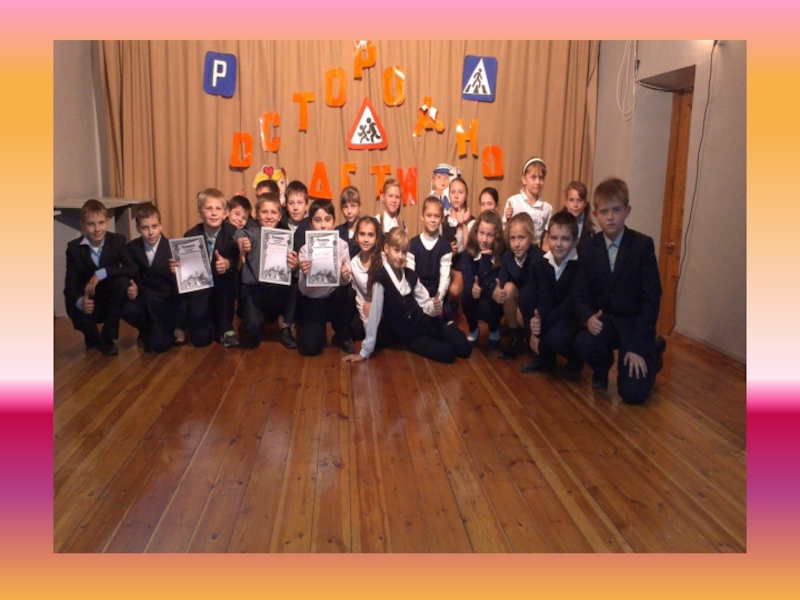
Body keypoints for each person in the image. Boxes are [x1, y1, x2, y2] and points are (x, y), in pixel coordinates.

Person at [572, 178, 667, 405]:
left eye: (616, 210)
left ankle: (652, 352)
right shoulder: (587, 248)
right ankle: (601, 369)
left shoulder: (642, 246)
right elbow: (579, 293)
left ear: (627, 211)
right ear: (595, 214)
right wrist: (587, 318)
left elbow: (652, 298)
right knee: (584, 342)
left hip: (634, 326)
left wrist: (638, 346)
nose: (610, 217)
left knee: (633, 395)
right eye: (604, 212)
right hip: (604, 322)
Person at [342, 227, 472, 364]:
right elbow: (374, 316)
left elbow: (425, 303)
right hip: (412, 336)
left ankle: (449, 326)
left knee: (465, 348)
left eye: (404, 252)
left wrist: (434, 306)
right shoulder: (381, 279)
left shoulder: (410, 275)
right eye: (396, 250)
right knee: (448, 353)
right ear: (386, 248)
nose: (400, 256)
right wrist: (364, 352)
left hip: (426, 322)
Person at [171, 188, 240, 348]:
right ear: (200, 213)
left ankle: (226, 327)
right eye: (208, 208)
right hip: (200, 291)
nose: (214, 213)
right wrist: (178, 270)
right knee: (200, 340)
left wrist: (228, 264)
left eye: (218, 208)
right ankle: (201, 323)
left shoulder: (232, 233)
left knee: (231, 279)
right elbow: (186, 277)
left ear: (225, 213)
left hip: (223, 288)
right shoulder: (190, 236)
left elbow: (235, 258)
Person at [63, 199, 132, 356]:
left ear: (107, 222)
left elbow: (131, 269)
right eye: (91, 224)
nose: (97, 229)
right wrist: (81, 302)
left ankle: (108, 339)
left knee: (122, 282)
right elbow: (70, 285)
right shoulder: (74, 248)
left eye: (101, 223)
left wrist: (102, 273)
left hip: (110, 299)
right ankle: (91, 334)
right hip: (89, 299)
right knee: (74, 303)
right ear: (82, 224)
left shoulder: (117, 241)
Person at [520, 211, 583, 374]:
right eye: (554, 238)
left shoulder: (580, 265)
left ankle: (575, 359)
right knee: (526, 295)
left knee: (557, 337)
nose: (558, 244)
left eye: (565, 239)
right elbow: (544, 296)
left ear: (575, 241)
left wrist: (541, 327)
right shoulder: (542, 262)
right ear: (548, 238)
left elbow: (571, 304)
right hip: (550, 313)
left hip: (570, 318)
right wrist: (536, 325)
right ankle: (543, 357)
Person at [233, 193, 297, 347]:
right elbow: (239, 233)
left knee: (295, 282)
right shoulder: (253, 233)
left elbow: (294, 264)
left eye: (273, 212)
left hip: (276, 291)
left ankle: (285, 327)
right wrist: (241, 242)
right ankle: (254, 319)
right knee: (253, 331)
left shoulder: (286, 238)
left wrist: (295, 265)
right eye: (264, 212)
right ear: (256, 214)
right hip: (254, 291)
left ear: (279, 216)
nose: (269, 216)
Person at [297, 200, 355, 356]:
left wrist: (345, 275)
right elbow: (303, 290)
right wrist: (305, 274)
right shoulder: (304, 250)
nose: (323, 225)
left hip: (334, 300)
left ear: (333, 221)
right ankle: (316, 328)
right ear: (311, 224)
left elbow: (345, 281)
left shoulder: (342, 245)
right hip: (313, 302)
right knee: (311, 348)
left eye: (327, 220)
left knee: (349, 290)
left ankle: (343, 333)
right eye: (318, 220)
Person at [121, 203, 179, 354]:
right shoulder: (132, 248)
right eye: (145, 228)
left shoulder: (172, 248)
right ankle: (145, 329)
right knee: (126, 308)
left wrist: (180, 324)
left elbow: (178, 288)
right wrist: (131, 287)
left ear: (161, 226)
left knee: (160, 346)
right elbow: (129, 273)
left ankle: (159, 330)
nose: (151, 232)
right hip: (143, 299)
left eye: (154, 226)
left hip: (164, 303)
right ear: (138, 228)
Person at [495, 213, 542, 359]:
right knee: (507, 289)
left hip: (535, 307)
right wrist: (497, 291)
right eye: (512, 238)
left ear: (531, 237)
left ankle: (533, 339)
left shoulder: (539, 258)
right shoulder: (508, 256)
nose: (516, 244)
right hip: (518, 302)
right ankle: (516, 339)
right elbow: (502, 282)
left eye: (521, 238)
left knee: (521, 315)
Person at [460, 210, 507, 348]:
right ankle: (473, 329)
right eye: (481, 233)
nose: (484, 240)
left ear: (497, 236)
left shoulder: (503, 254)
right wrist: (472, 289)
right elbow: (468, 281)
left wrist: (486, 259)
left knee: (487, 304)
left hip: (492, 302)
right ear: (476, 232)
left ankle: (494, 329)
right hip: (476, 298)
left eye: (489, 235)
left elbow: (496, 287)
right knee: (465, 296)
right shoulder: (468, 253)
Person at [276, 180, 312, 349]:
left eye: (300, 203)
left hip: (303, 279)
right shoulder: (278, 223)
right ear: (285, 204)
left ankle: (294, 322)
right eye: (291, 203)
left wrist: (298, 264)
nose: (296, 208)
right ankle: (285, 326)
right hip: (279, 278)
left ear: (306, 205)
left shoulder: (312, 225)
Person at [406, 196, 453, 320]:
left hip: (437, 298)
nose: (432, 220)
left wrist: (437, 299)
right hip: (418, 297)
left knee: (441, 321)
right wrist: (424, 301)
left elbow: (445, 278)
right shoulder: (413, 244)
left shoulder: (445, 246)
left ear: (442, 218)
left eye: (436, 216)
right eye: (429, 215)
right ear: (422, 216)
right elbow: (411, 276)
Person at [503, 157, 553, 246]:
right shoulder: (513, 202)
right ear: (524, 179)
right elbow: (506, 232)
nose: (538, 182)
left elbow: (546, 238)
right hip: (515, 248)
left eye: (541, 178)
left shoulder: (547, 207)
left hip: (535, 250)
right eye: (533, 177)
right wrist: (508, 220)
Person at [349, 216, 384, 341]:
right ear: (356, 237)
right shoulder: (353, 264)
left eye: (370, 235)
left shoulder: (384, 260)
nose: (366, 239)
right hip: (365, 311)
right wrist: (366, 321)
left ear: (376, 238)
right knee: (353, 330)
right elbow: (359, 297)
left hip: (383, 311)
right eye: (362, 234)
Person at [336, 186, 362, 258]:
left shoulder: (366, 229)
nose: (349, 211)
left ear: (359, 207)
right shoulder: (338, 231)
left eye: (353, 206)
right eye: (345, 207)